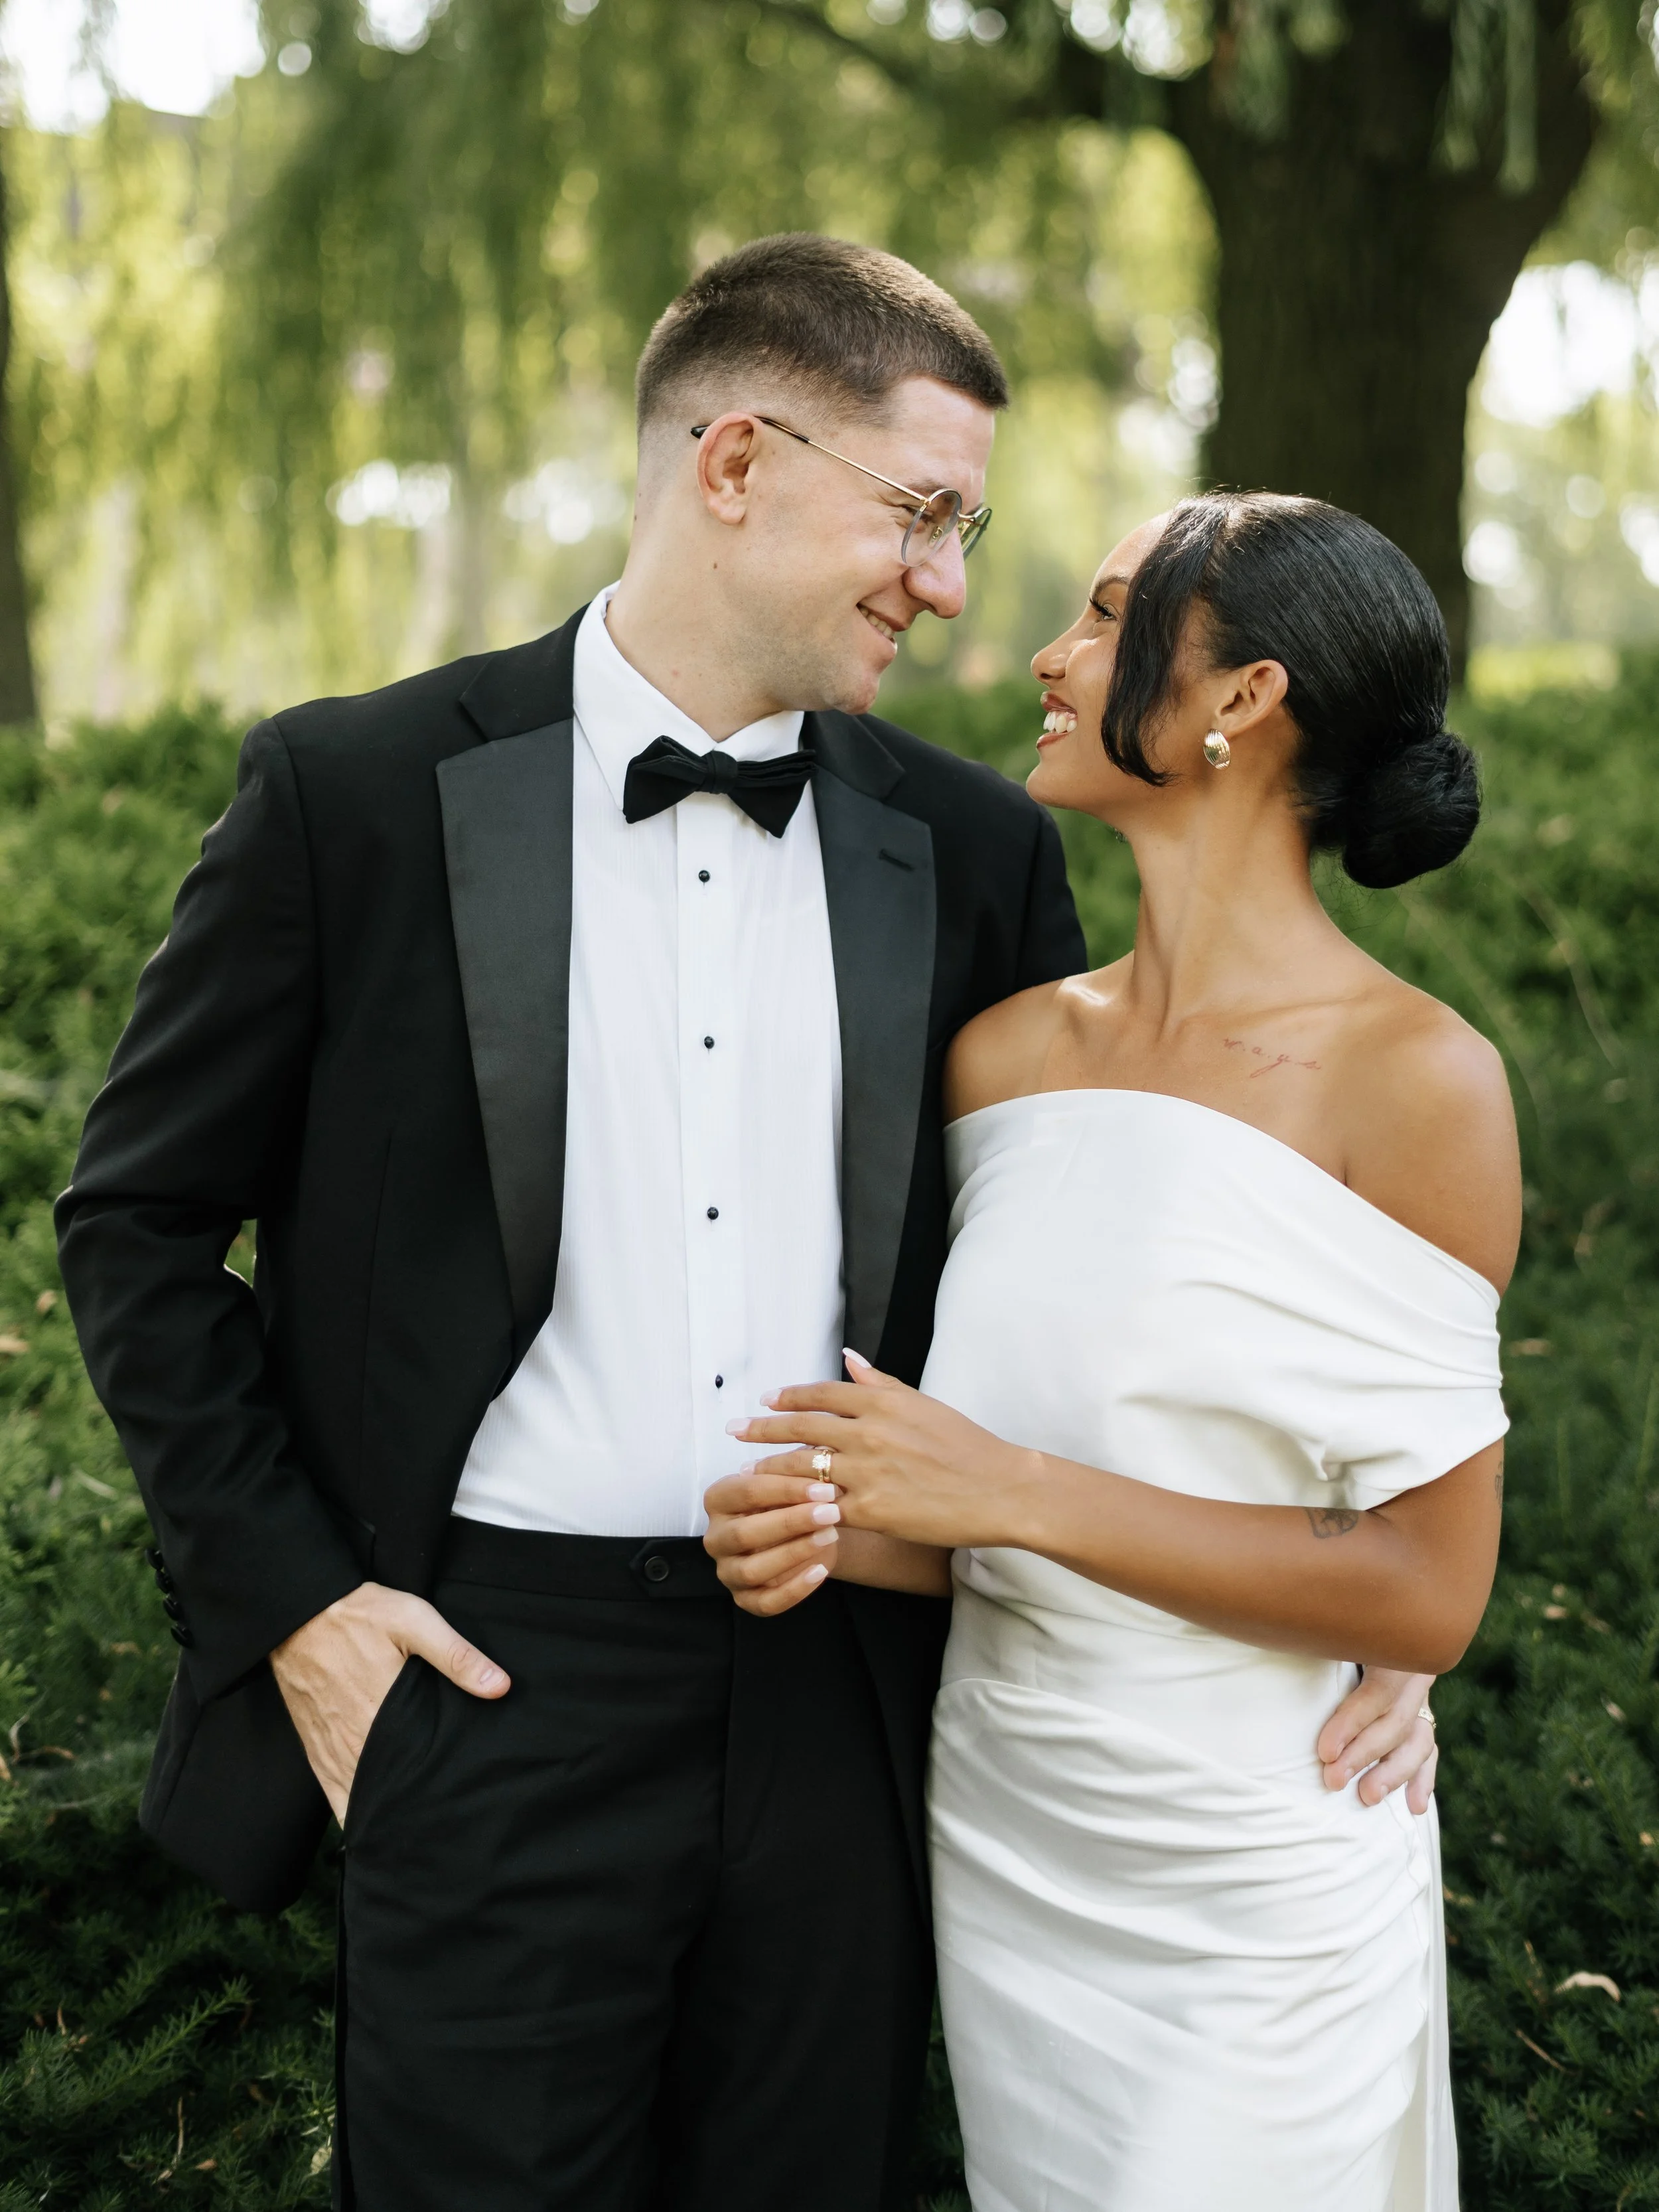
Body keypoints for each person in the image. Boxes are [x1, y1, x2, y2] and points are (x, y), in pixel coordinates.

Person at [55, 222, 1437, 2207]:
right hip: (483, 1684)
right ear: (735, 464)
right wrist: (296, 1605)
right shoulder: (347, 794)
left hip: (847, 1703)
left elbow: (1087, 1270)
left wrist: (1335, 1589)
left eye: (962, 532)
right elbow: (135, 1224)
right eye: (921, 512)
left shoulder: (967, 851)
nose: (952, 588)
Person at [705, 492, 1518, 2210]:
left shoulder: (1415, 1080)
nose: (1051, 658)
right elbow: (995, 1506)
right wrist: (836, 1527)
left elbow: (1422, 1591)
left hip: (1257, 1864)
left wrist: (1000, 1487)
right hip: (1012, 1841)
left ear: (1241, 699)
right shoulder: (1000, 1060)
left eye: (1100, 617)